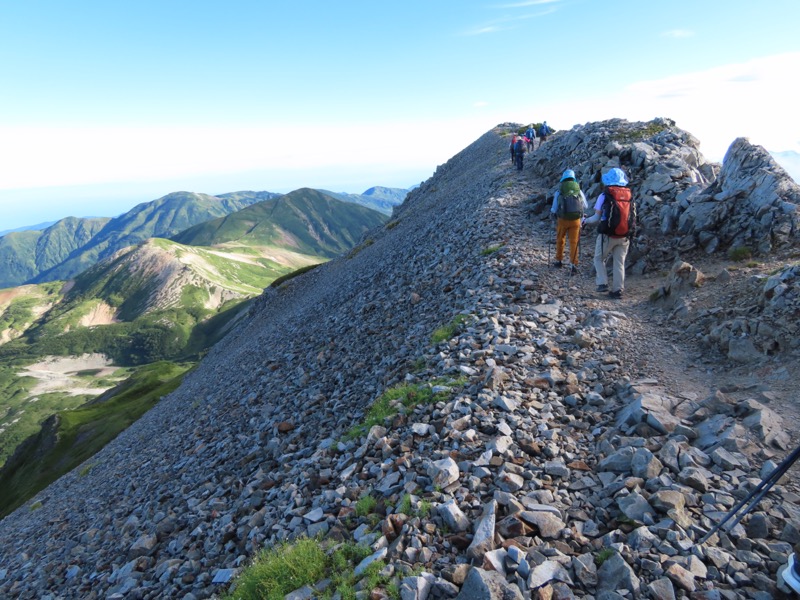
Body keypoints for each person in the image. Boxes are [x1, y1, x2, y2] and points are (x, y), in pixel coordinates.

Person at [583, 167, 635, 299]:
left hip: (607, 235)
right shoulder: (629, 195)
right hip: (624, 235)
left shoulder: (605, 195)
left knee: (598, 258)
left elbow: (596, 218)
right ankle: (618, 290)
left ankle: (602, 283)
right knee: (619, 263)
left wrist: (584, 221)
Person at [550, 169, 587, 273]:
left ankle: (559, 260)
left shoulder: (560, 190)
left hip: (562, 219)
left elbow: (554, 207)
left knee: (560, 239)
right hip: (576, 220)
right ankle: (573, 264)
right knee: (574, 241)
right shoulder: (578, 190)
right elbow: (585, 205)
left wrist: (553, 213)